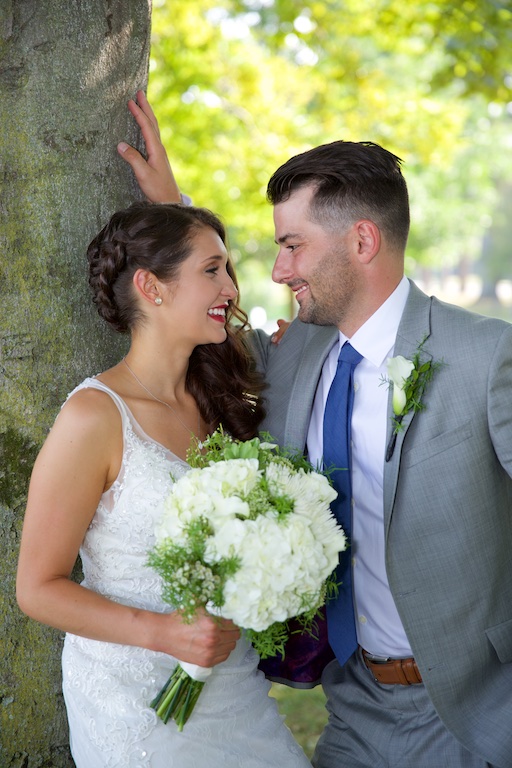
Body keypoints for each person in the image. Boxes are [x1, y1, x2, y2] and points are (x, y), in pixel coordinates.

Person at [120, 92, 512, 768]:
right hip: (353, 704)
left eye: (292, 245)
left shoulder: (488, 356)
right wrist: (173, 208)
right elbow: (213, 320)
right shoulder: (294, 352)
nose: (277, 271)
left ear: (361, 240)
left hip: (474, 712)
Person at [16, 201, 312, 767]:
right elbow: (37, 588)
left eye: (227, 269)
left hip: (236, 692)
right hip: (136, 708)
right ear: (151, 286)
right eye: (212, 271)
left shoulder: (220, 397)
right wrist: (164, 633)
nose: (230, 286)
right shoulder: (93, 417)